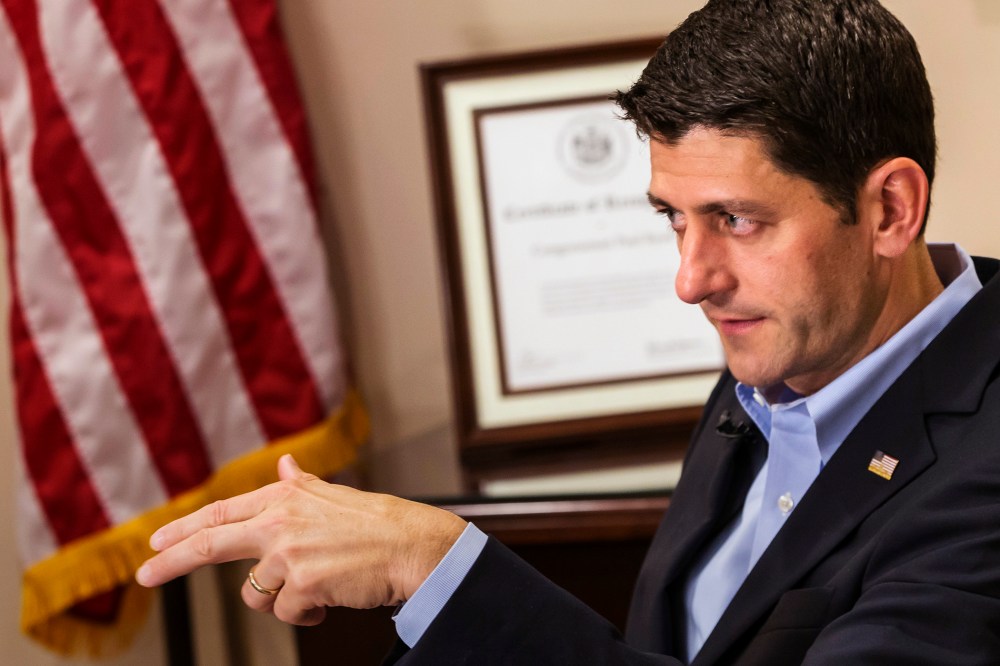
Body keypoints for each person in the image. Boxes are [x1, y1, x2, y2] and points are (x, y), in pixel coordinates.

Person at [136, 0, 1000, 663]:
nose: (692, 280)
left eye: (736, 219)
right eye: (674, 217)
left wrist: (439, 566)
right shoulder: (791, 347)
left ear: (890, 208)